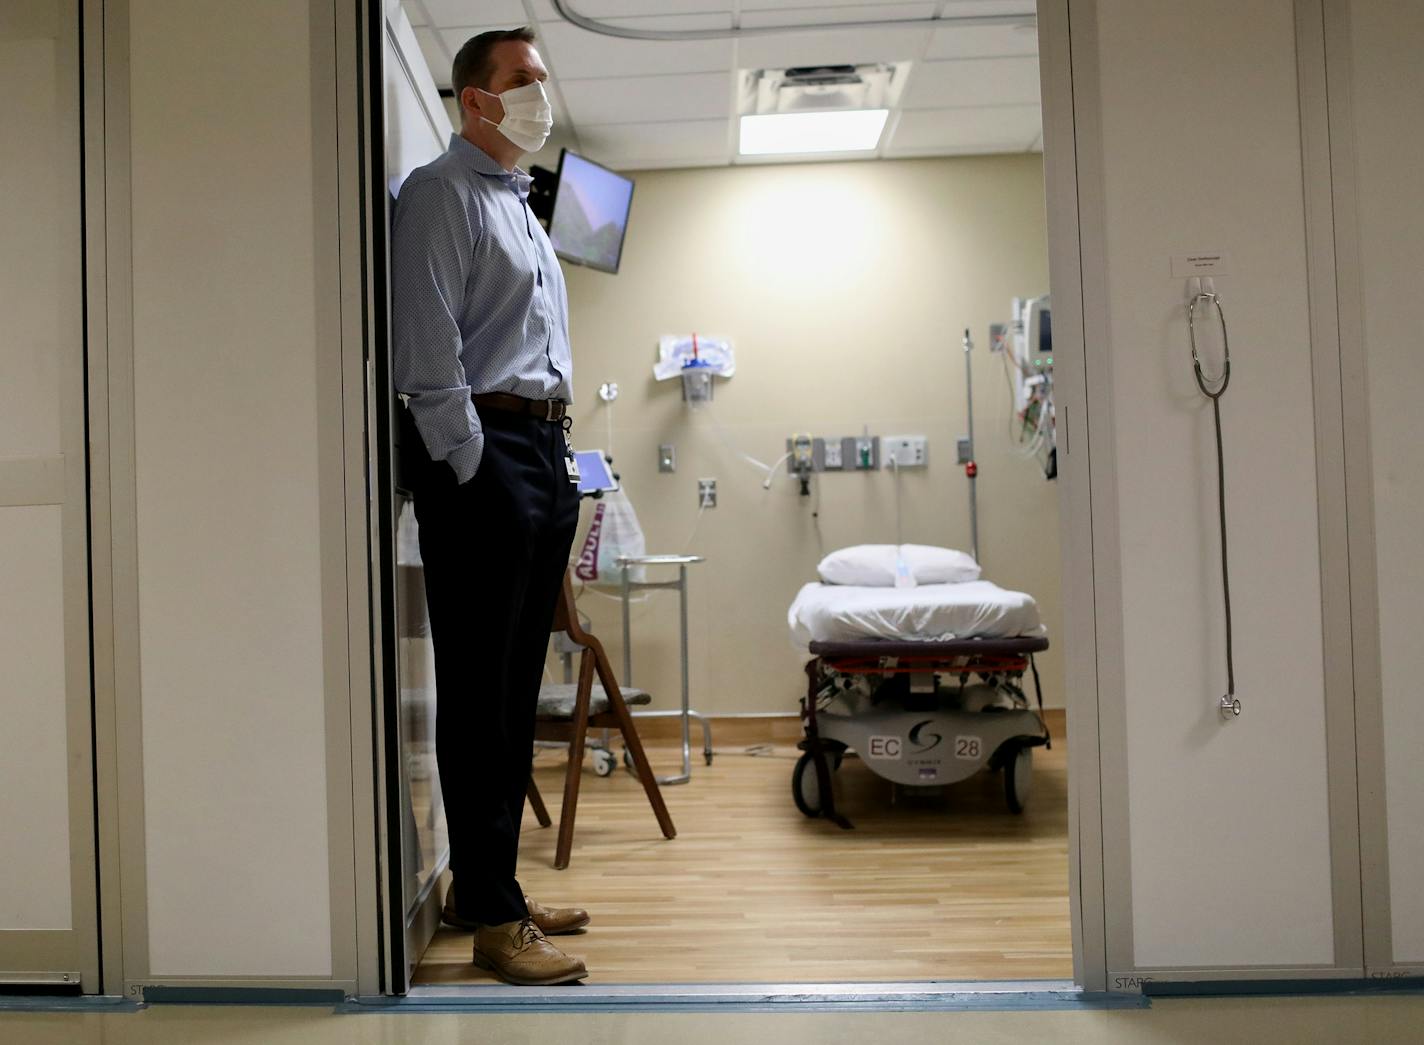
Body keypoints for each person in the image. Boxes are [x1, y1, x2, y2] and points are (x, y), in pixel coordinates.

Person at [391, 26, 589, 987]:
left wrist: (551, 466)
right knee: (480, 696)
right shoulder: (440, 194)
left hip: (542, 454)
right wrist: (474, 468)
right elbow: (429, 359)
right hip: (489, 459)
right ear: (476, 99)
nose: (539, 96)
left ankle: (492, 886)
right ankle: (495, 919)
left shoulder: (519, 207)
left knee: (515, 693)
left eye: (541, 80)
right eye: (524, 81)